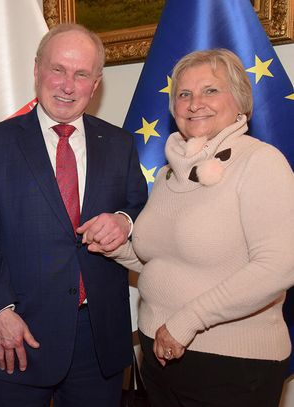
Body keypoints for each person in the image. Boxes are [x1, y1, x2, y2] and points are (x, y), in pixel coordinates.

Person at [81, 48, 294, 407]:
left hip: (232, 367)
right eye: (184, 94)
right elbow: (164, 261)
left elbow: (279, 266)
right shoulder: (170, 173)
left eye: (211, 90)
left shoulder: (260, 163)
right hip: (160, 359)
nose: (195, 103)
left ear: (240, 101)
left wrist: (187, 321)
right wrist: (116, 248)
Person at [0, 23, 148, 406]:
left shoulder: (120, 144)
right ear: (37, 71)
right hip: (17, 334)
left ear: (95, 83)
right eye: (58, 69)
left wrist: (124, 220)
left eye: (81, 74)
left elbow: (139, 207)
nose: (68, 85)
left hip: (98, 339)